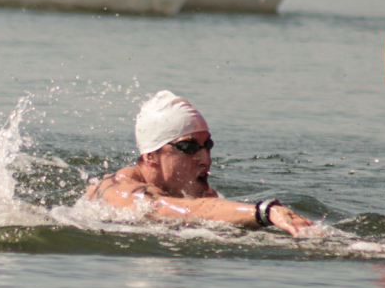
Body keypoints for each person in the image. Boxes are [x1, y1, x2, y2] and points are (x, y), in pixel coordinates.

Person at [85, 90, 315, 236]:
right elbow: (177, 210)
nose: (205, 158)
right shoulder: (122, 193)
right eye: (189, 147)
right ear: (151, 156)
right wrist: (264, 212)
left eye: (208, 145)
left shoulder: (200, 194)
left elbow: (201, 211)